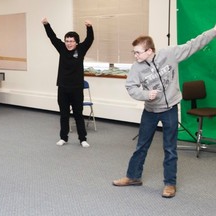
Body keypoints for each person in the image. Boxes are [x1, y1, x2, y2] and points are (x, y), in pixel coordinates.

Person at [112, 25, 216, 198]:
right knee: (141, 146)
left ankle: (170, 184)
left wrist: (213, 31)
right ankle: (133, 177)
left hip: (170, 109)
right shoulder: (136, 68)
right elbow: (130, 87)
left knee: (170, 149)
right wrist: (145, 94)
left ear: (150, 51)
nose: (135, 56)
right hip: (150, 111)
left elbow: (194, 44)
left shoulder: (169, 54)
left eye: (138, 52)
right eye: (134, 52)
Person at [41, 18, 94, 147]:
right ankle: (63, 137)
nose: (69, 43)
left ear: (76, 43)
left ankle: (82, 139)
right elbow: (52, 37)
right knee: (64, 114)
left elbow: (90, 39)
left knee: (78, 114)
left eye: (71, 41)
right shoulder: (62, 49)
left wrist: (89, 27)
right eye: (67, 41)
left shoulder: (81, 50)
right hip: (63, 88)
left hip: (76, 88)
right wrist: (47, 25)